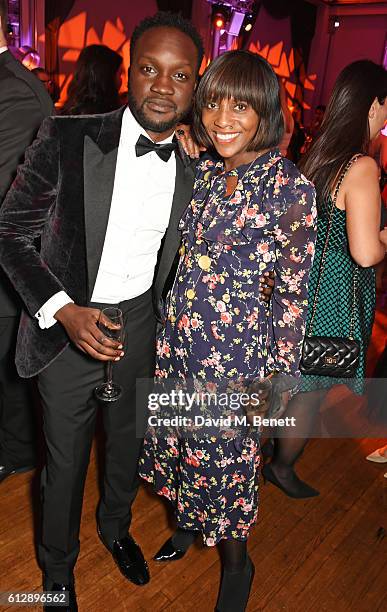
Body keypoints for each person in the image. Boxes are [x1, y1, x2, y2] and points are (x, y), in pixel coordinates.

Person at [0, 11, 205, 611]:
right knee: (63, 464)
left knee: (127, 443)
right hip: (67, 326)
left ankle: (116, 528)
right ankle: (57, 571)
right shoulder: (66, 137)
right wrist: (64, 311)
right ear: (130, 69)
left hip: (142, 322)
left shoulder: (197, 163)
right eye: (149, 69)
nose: (163, 86)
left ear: (196, 84)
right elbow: (9, 231)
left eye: (180, 75)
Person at [139, 50, 317, 612]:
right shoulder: (210, 171)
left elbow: (293, 289)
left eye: (240, 106)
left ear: (265, 111)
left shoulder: (292, 189)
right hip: (180, 343)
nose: (223, 118)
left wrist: (280, 378)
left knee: (225, 460)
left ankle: (238, 563)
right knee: (182, 442)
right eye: (213, 102)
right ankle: (190, 526)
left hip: (235, 356)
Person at [264, 60, 387, 498]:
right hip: (333, 293)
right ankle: (280, 467)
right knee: (311, 392)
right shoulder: (363, 167)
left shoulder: (319, 152)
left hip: (303, 283)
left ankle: (268, 454)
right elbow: (366, 251)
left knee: (294, 383)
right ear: (373, 105)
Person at [0, 0, 53, 484]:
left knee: (9, 372)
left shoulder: (15, 93)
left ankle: (17, 454)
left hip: (9, 265)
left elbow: (10, 200)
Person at [60, 44, 123, 115]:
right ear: (107, 78)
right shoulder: (110, 116)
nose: (122, 80)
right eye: (120, 74)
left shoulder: (70, 108)